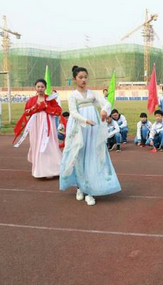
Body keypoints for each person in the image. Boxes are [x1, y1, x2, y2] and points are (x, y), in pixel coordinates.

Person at [59, 66, 121, 206]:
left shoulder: (92, 93)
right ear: (75, 79)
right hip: (79, 127)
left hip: (93, 128)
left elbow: (106, 103)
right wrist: (85, 120)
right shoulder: (73, 96)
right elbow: (73, 113)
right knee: (79, 155)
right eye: (80, 77)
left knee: (92, 155)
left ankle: (90, 190)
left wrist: (104, 111)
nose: (84, 80)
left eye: (85, 77)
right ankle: (80, 188)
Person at [13, 79, 62, 179]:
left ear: (45, 88)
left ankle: (54, 169)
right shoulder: (31, 100)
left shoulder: (50, 99)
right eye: (38, 86)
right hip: (35, 125)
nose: (40, 89)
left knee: (49, 145)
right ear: (35, 87)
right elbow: (26, 112)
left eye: (42, 87)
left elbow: (58, 111)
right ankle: (40, 170)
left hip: (48, 125)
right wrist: (35, 108)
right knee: (37, 144)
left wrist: (46, 107)